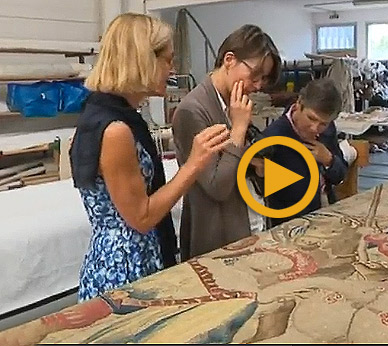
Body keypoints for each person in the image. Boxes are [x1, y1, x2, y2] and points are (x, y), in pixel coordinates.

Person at [69, 13, 231, 302]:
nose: (172, 69)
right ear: (142, 59)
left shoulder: (119, 115)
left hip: (137, 256)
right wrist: (194, 164)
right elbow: (141, 217)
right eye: (167, 60)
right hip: (125, 268)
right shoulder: (114, 130)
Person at [172, 24, 281, 260]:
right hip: (218, 237)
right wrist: (239, 127)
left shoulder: (233, 101)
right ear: (229, 59)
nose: (258, 85)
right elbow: (217, 186)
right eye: (255, 75)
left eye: (264, 79)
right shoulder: (193, 110)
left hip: (250, 223)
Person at [262, 78, 348, 227]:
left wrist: (329, 160)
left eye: (323, 123)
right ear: (298, 105)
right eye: (311, 118)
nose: (315, 128)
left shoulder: (328, 130)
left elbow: (340, 175)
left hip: (326, 213)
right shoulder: (273, 138)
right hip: (291, 224)